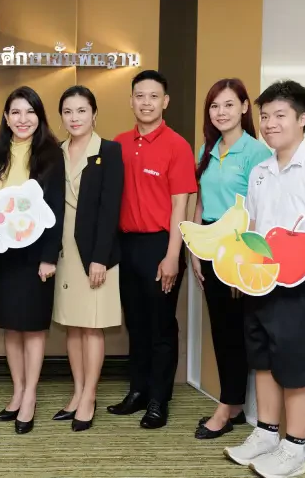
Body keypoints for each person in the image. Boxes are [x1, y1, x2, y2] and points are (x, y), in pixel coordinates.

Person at [224, 80, 305, 477]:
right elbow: (257, 227)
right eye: (264, 116)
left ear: (302, 118)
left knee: (297, 365)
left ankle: (293, 452)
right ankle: (265, 433)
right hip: (263, 281)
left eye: (280, 115)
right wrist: (243, 269)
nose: (270, 123)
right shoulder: (261, 170)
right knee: (263, 359)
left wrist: (298, 265)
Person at [107, 70, 197, 429]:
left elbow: (181, 206)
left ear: (165, 102)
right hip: (126, 245)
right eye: (139, 96)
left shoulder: (178, 145)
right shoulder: (118, 143)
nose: (146, 103)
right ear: (130, 100)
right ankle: (138, 391)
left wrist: (173, 255)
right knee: (136, 324)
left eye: (153, 96)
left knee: (161, 326)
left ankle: (159, 400)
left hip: (162, 245)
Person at [191, 79, 272, 440]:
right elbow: (201, 201)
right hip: (209, 249)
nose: (220, 112)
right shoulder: (208, 149)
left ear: (243, 107)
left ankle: (227, 406)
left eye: (227, 105)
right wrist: (195, 249)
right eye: (214, 106)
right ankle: (235, 403)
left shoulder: (257, 152)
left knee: (235, 332)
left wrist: (244, 258)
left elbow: (262, 208)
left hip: (238, 253)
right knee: (221, 329)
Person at [0, 86, 65, 434]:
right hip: (2, 253)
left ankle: (30, 395)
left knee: (32, 327)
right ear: (6, 117)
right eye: (15, 112)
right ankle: (16, 391)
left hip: (36, 258)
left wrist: (49, 257)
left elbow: (57, 208)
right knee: (11, 327)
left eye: (29, 112)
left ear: (39, 116)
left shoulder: (51, 153)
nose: (23, 119)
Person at [51, 85, 123, 432]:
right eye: (68, 111)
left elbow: (111, 209)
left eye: (82, 110)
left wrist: (100, 258)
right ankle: (77, 392)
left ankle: (90, 396)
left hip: (95, 251)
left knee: (92, 326)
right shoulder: (56, 151)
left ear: (94, 114)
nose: (75, 117)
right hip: (64, 249)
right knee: (73, 324)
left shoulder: (109, 151)